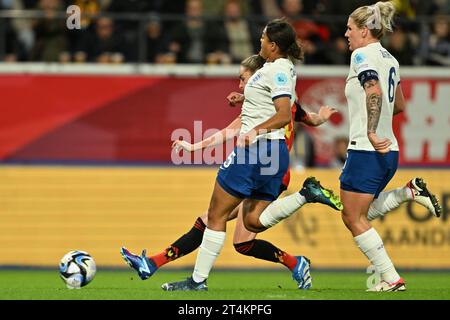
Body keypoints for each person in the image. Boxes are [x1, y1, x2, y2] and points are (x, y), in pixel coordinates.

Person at [120, 54, 339, 290]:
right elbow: (309, 118)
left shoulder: (262, 107)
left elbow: (229, 131)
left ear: (257, 78)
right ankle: (296, 261)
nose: (241, 84)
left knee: (215, 218)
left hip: (259, 166)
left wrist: (195, 146)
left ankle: (180, 275)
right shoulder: (285, 104)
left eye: (243, 79)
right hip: (275, 170)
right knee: (240, 238)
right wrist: (322, 118)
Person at [340, 1, 441, 292]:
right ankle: (407, 192)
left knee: (352, 217)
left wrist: (370, 129)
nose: (346, 34)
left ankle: (392, 278)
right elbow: (399, 104)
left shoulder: (361, 55)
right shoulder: (391, 60)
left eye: (349, 28)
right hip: (389, 150)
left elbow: (373, 90)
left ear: (364, 30)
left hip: (367, 147)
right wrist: (380, 125)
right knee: (358, 214)